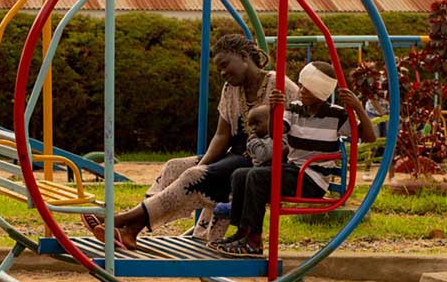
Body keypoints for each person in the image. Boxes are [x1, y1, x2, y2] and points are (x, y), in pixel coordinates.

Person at [80, 33, 298, 249]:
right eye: (218, 69)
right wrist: (203, 165)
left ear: (243, 57)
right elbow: (222, 135)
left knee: (194, 176)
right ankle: (130, 231)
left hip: (262, 161)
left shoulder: (279, 85)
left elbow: (299, 128)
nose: (222, 73)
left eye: (225, 65)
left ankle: (122, 221)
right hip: (236, 155)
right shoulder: (231, 89)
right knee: (175, 166)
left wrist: (200, 172)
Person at [213, 61, 377, 256]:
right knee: (240, 175)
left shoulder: (337, 116)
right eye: (300, 85)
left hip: (311, 179)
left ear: (320, 91)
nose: (300, 91)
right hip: (293, 171)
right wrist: (275, 109)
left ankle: (254, 240)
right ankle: (242, 232)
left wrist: (357, 107)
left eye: (306, 87)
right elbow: (276, 134)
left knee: (257, 176)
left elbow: (369, 137)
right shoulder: (294, 109)